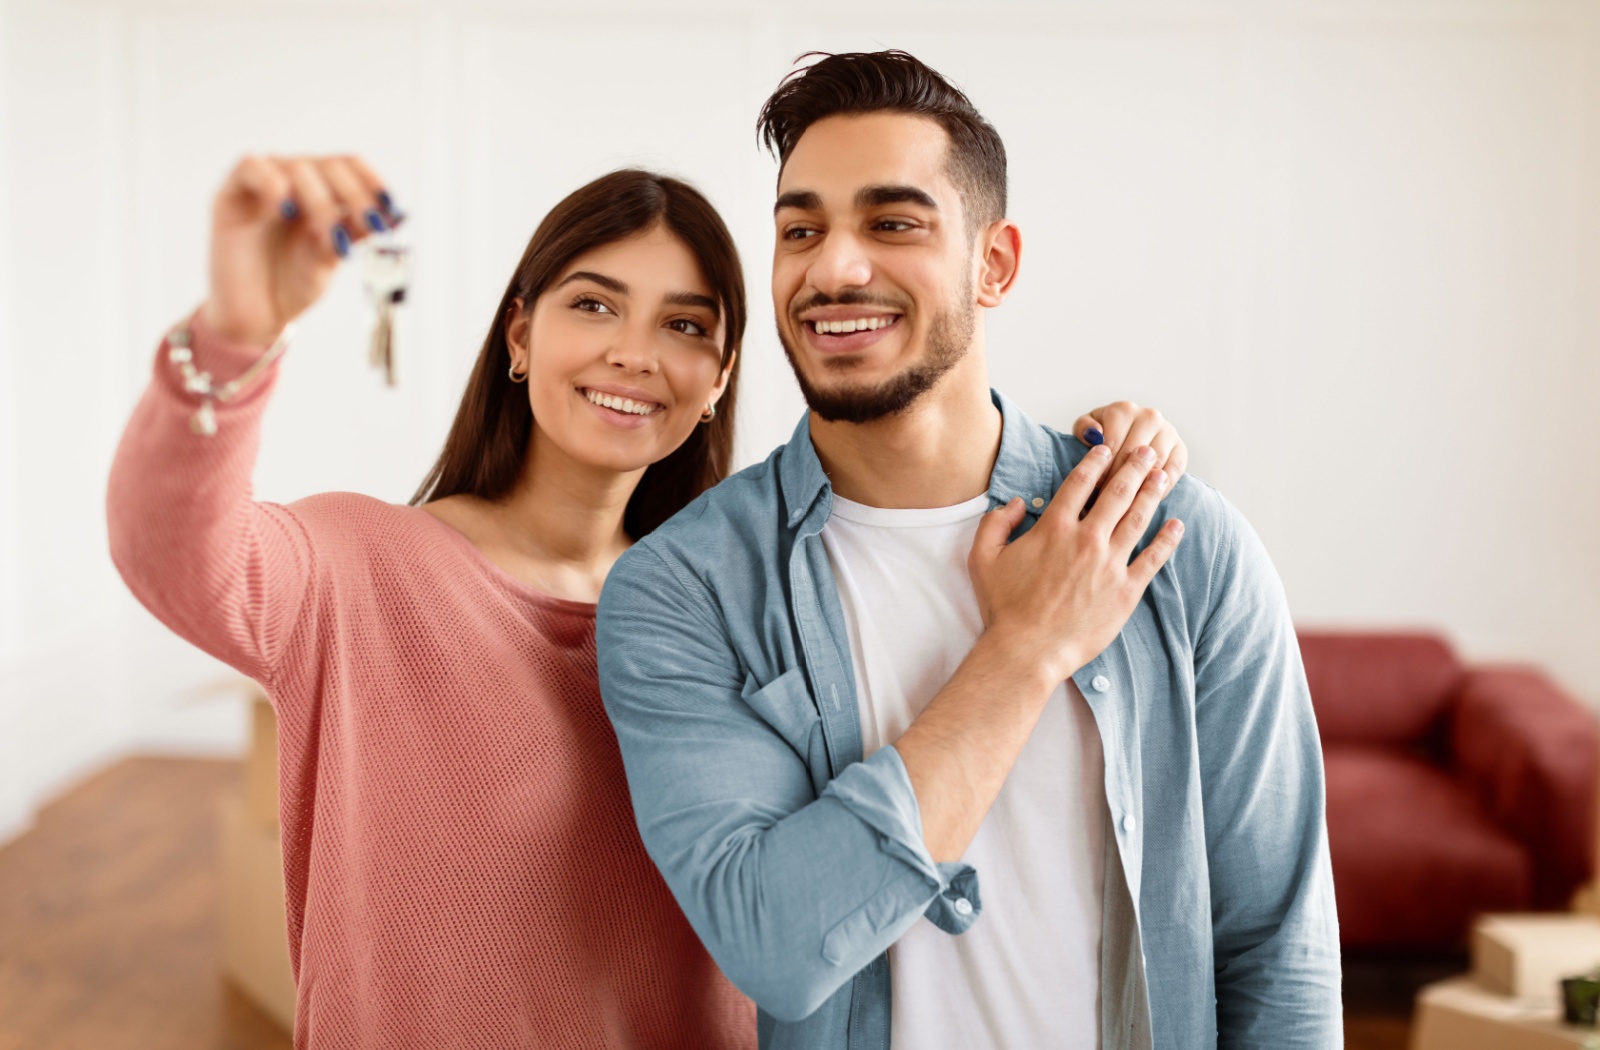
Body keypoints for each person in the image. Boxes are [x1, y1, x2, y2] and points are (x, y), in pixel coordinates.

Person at [106, 157, 1186, 1048]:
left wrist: (1102, 453)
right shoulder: (358, 565)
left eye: (684, 326)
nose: (634, 353)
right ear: (520, 335)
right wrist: (235, 333)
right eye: (594, 305)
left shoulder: (733, 607)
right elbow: (172, 553)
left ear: (719, 376)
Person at [596, 51, 1342, 1050]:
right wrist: (1024, 651)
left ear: (993, 265)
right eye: (800, 230)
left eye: (892, 224)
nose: (833, 269)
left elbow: (1276, 956)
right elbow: (775, 942)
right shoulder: (684, 588)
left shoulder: (1178, 542)